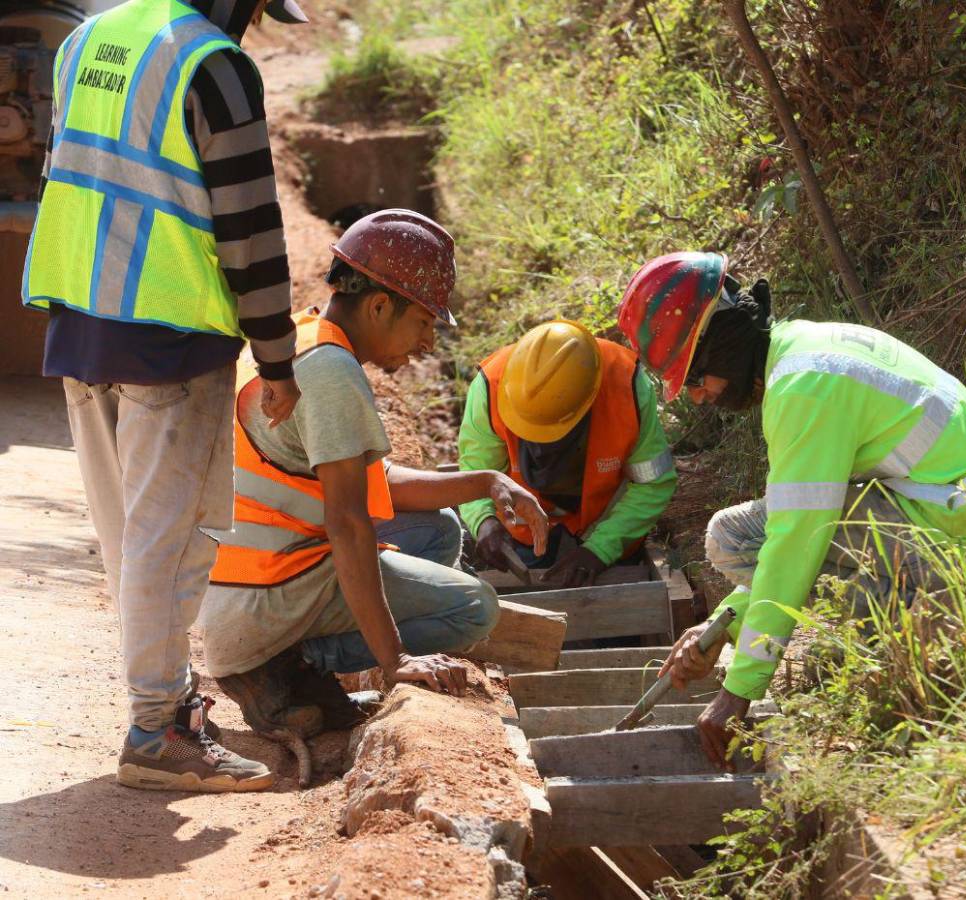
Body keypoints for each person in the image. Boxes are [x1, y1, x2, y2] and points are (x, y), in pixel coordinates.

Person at [21, 0, 310, 791]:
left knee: (130, 538)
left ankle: (167, 709)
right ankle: (156, 731)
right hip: (170, 337)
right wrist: (277, 358)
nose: (252, 23)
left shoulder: (86, 39)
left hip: (82, 322)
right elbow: (251, 230)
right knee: (169, 543)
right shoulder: (214, 66)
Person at [617, 251, 966, 766]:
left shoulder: (804, 389)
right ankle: (902, 625)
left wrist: (739, 690)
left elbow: (796, 544)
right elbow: (805, 536)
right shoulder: (806, 351)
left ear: (719, 345)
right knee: (761, 538)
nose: (698, 397)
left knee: (734, 538)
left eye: (695, 378)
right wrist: (723, 624)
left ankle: (921, 622)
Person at [198, 209, 549, 779]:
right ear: (380, 306)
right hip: (264, 600)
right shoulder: (332, 374)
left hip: (244, 580)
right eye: (424, 322)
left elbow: (373, 486)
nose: (428, 342)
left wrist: (487, 481)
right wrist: (396, 660)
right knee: (474, 608)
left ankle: (298, 658)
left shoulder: (304, 337)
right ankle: (290, 667)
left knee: (438, 529)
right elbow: (348, 523)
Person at [457, 319, 677, 587]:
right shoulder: (489, 386)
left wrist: (600, 549)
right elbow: (475, 473)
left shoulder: (626, 383)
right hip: (523, 534)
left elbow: (652, 483)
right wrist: (484, 520)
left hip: (608, 523)